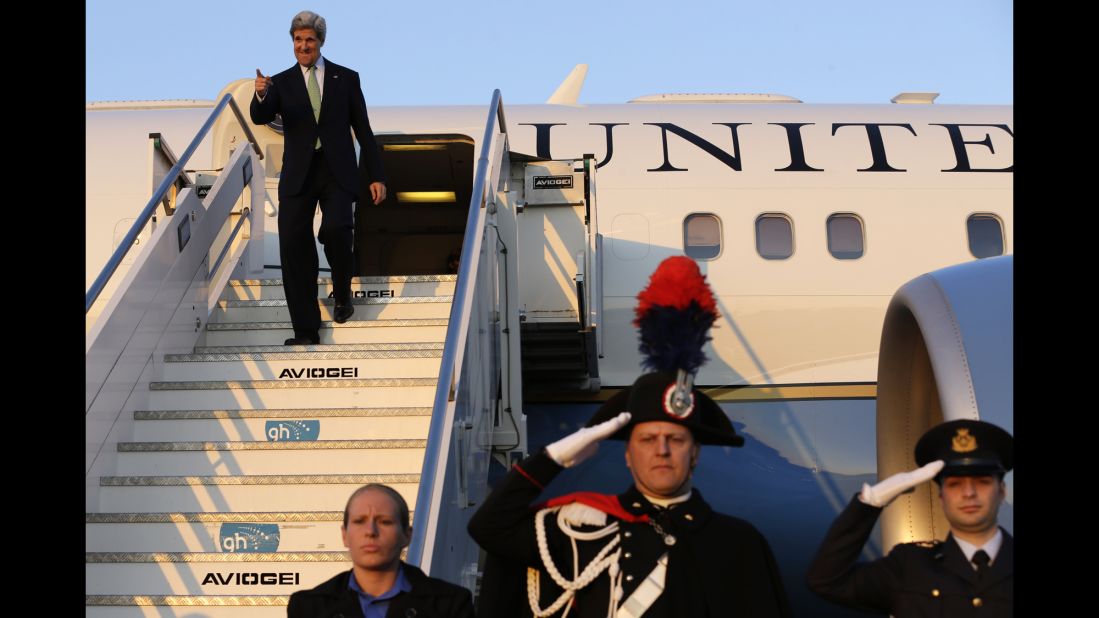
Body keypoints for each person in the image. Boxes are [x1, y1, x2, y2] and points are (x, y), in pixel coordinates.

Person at [468, 371, 792, 618]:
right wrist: (553, 458)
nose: (662, 450)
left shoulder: (737, 543)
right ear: (627, 455)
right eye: (648, 439)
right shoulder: (580, 528)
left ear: (695, 454)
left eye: (676, 440)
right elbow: (489, 527)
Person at [251, 10, 386, 345]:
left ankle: (342, 294)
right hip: (298, 173)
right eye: (297, 40)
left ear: (320, 41)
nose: (303, 46)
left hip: (336, 168)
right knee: (294, 248)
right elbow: (260, 116)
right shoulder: (280, 83)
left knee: (337, 229)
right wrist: (261, 94)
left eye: (309, 39)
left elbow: (364, 131)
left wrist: (376, 175)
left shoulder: (346, 78)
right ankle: (306, 330)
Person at [807, 419, 1014, 617]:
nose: (969, 492)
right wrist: (872, 500)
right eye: (954, 484)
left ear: (1002, 491)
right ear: (941, 496)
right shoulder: (910, 567)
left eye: (982, 482)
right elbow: (827, 581)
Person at [287, 483, 475, 618]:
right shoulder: (308, 608)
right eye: (359, 521)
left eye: (385, 522)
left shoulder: (449, 604)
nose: (370, 532)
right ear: (344, 535)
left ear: (407, 535)